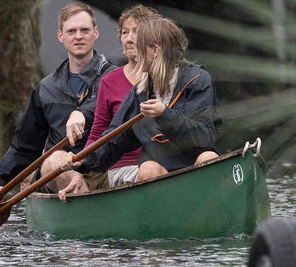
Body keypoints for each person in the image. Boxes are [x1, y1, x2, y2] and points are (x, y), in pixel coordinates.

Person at [55, 16, 220, 198]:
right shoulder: (139, 93)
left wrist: (165, 114)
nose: (133, 52)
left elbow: (205, 137)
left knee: (208, 159)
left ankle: (204, 217)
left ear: (155, 51)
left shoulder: (197, 80)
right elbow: (114, 139)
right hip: (159, 171)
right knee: (148, 169)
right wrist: (83, 161)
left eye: (139, 47)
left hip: (192, 167)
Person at [0, 2, 115, 204]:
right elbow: (25, 145)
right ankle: (88, 213)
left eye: (85, 30)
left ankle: (88, 212)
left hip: (101, 169)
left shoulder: (114, 77)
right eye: (71, 31)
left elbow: (114, 104)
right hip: (57, 174)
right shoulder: (46, 88)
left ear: (95, 33)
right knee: (54, 160)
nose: (78, 36)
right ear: (60, 35)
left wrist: (82, 113)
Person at [66, 4, 160, 191]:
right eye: (125, 33)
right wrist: (79, 173)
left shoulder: (166, 78)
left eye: (137, 32)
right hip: (124, 168)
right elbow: (97, 133)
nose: (130, 39)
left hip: (165, 162)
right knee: (151, 171)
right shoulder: (109, 81)